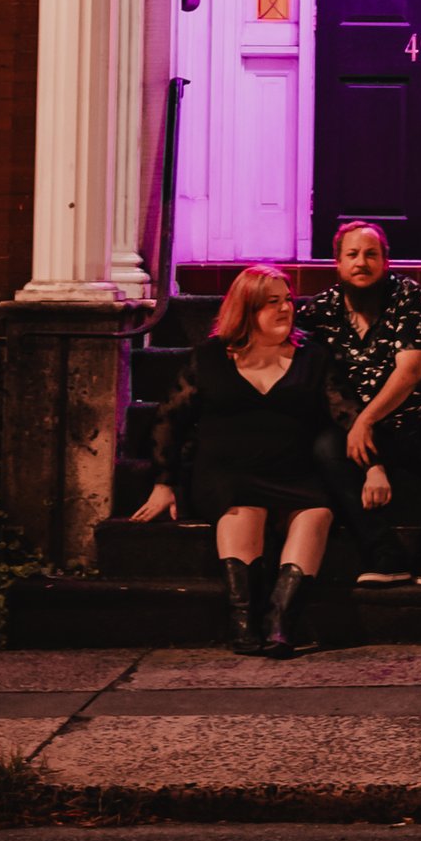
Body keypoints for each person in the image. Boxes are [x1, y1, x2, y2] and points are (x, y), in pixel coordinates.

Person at [129, 266, 336, 655]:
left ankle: (279, 622)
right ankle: (243, 621)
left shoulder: (313, 357)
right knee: (245, 508)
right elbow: (168, 420)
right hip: (227, 473)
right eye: (271, 302)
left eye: (287, 299)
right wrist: (163, 482)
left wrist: (374, 462)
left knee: (317, 513)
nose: (285, 308)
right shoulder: (209, 358)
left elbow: (346, 413)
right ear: (246, 309)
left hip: (292, 471)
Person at [303, 219, 421, 589]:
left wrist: (366, 421)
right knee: (324, 446)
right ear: (337, 263)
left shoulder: (408, 295)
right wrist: (371, 456)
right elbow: (323, 385)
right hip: (357, 428)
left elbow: (410, 371)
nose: (361, 262)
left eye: (371, 254)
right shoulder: (319, 312)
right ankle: (382, 554)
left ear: (386, 261)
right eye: (352, 254)